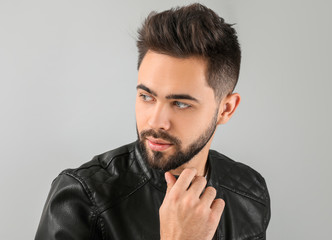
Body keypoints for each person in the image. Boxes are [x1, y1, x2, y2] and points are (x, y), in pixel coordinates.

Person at [35, 3, 271, 240]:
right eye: (146, 97)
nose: (156, 122)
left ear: (226, 109)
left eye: (180, 103)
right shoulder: (81, 199)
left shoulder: (251, 192)